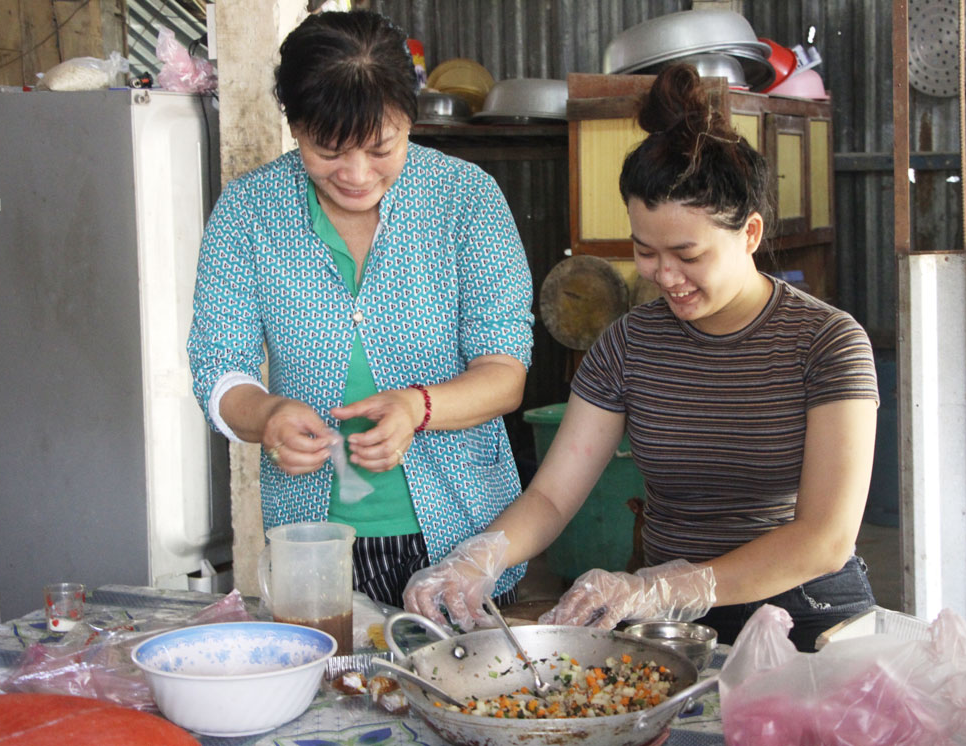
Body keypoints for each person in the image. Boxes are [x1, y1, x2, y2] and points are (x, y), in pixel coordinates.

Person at [404, 63, 879, 651]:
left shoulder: (828, 342)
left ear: (750, 233)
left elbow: (824, 539)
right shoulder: (629, 344)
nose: (665, 276)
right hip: (673, 631)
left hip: (810, 621)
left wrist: (663, 585)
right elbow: (552, 496)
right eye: (645, 251)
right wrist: (476, 559)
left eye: (687, 253)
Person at [186, 10, 534, 610]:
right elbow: (218, 366)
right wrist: (266, 413)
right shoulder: (248, 211)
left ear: (409, 121)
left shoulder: (466, 200)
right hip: (312, 541)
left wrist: (417, 406)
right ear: (294, 125)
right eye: (328, 149)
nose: (355, 174)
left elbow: (505, 373)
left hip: (463, 531)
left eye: (380, 148)